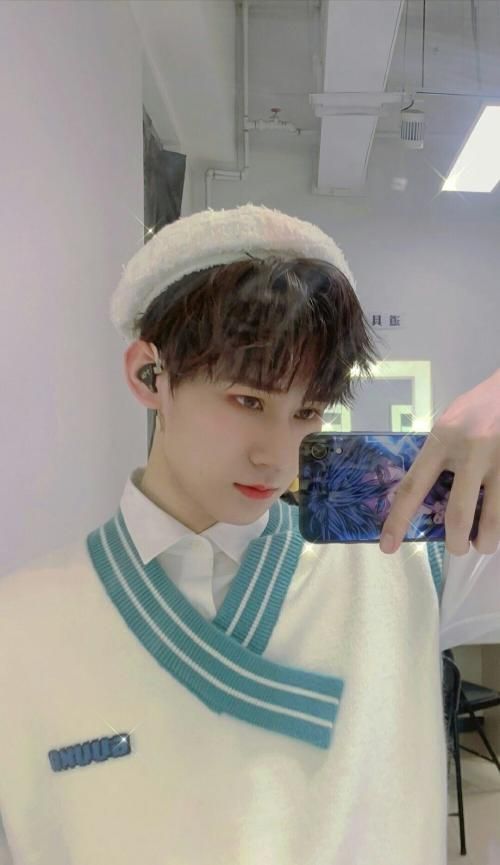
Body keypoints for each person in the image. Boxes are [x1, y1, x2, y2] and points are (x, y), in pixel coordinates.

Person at [0, 204, 451, 865]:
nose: (279, 456)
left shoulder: (401, 553)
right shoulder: (21, 624)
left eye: (307, 412)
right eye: (248, 401)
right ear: (149, 375)